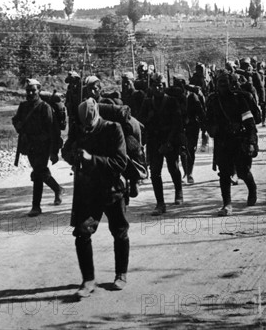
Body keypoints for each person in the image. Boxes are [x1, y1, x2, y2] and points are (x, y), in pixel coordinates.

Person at [63, 98, 129, 297]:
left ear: (97, 116)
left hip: (111, 190)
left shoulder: (113, 129)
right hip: (88, 191)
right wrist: (72, 155)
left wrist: (92, 159)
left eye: (90, 125)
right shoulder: (79, 129)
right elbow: (65, 150)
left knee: (119, 231)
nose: (87, 129)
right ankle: (88, 280)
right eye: (84, 126)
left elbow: (120, 163)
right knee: (82, 233)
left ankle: (121, 274)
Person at [205, 71, 258, 216]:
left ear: (230, 83)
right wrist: (211, 129)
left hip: (240, 139)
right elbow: (207, 120)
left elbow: (250, 122)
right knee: (224, 173)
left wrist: (251, 141)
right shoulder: (213, 100)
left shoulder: (239, 98)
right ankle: (227, 204)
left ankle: (252, 189)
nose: (222, 85)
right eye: (219, 82)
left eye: (225, 82)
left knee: (242, 171)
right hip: (222, 141)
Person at [12, 79, 64, 217]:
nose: (30, 93)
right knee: (39, 171)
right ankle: (57, 188)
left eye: (33, 90)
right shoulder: (23, 106)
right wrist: (19, 126)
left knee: (38, 173)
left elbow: (53, 130)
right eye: (28, 90)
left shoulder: (44, 107)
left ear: (39, 91)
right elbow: (15, 119)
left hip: (43, 146)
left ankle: (36, 206)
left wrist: (54, 151)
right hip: (29, 146)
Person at [138, 73, 184, 215]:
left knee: (173, 168)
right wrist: (148, 119)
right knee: (155, 173)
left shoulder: (172, 101)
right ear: (151, 86)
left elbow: (177, 124)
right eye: (155, 85)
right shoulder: (147, 102)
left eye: (161, 85)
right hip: (154, 141)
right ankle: (160, 203)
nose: (158, 88)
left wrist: (169, 142)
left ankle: (179, 191)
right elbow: (140, 122)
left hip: (170, 139)